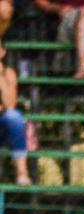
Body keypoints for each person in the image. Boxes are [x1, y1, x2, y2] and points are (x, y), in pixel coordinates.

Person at [0, 40, 30, 185]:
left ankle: (22, 172)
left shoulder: (8, 73)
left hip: (2, 127)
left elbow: (10, 105)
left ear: (2, 52)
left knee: (14, 117)